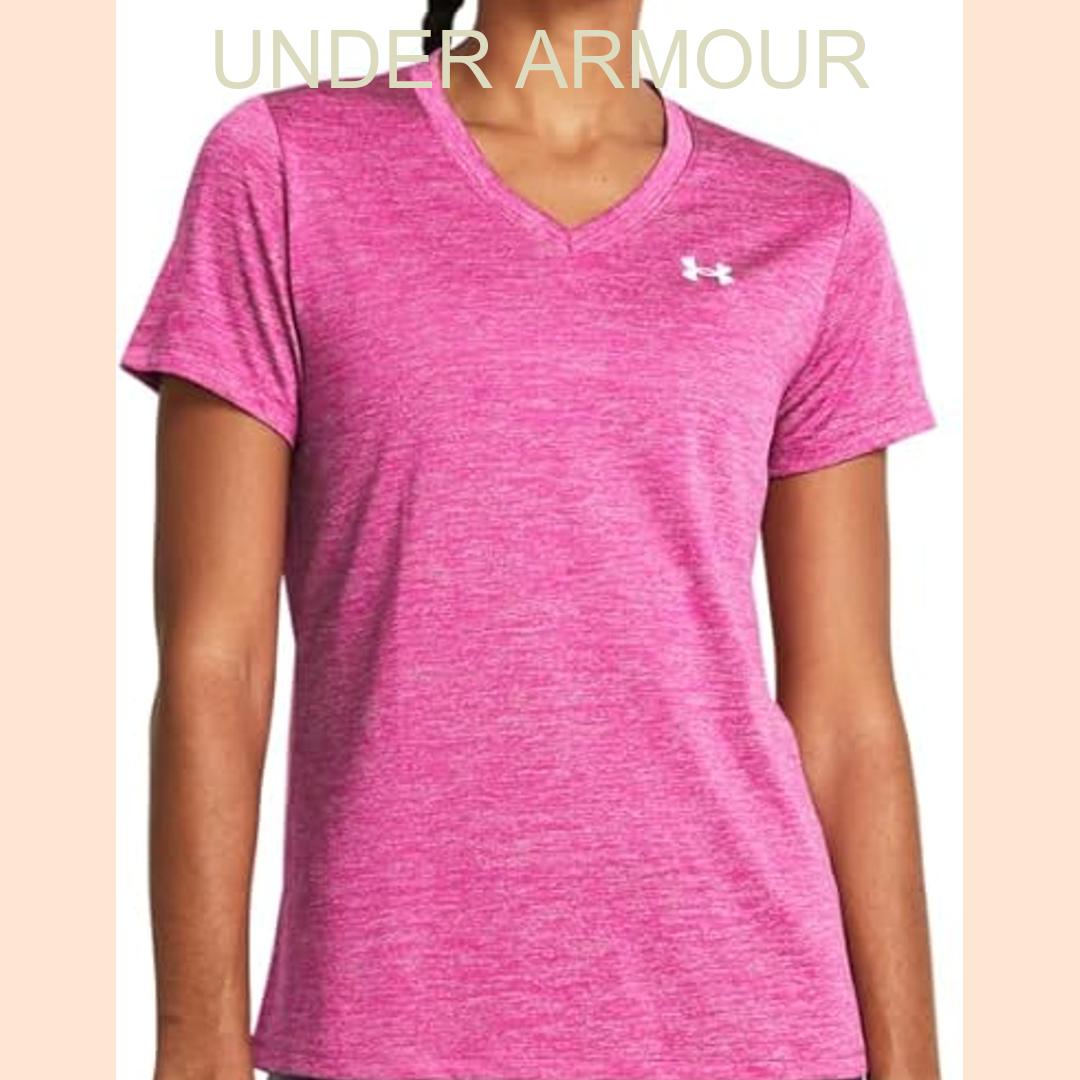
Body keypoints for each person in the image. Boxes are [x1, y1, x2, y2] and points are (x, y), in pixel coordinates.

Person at [120, 2, 942, 1079]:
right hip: (392, 1023)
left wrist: (914, 1061)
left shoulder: (810, 225)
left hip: (754, 1022)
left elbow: (846, 709)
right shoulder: (285, 168)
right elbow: (215, 660)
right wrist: (195, 1041)